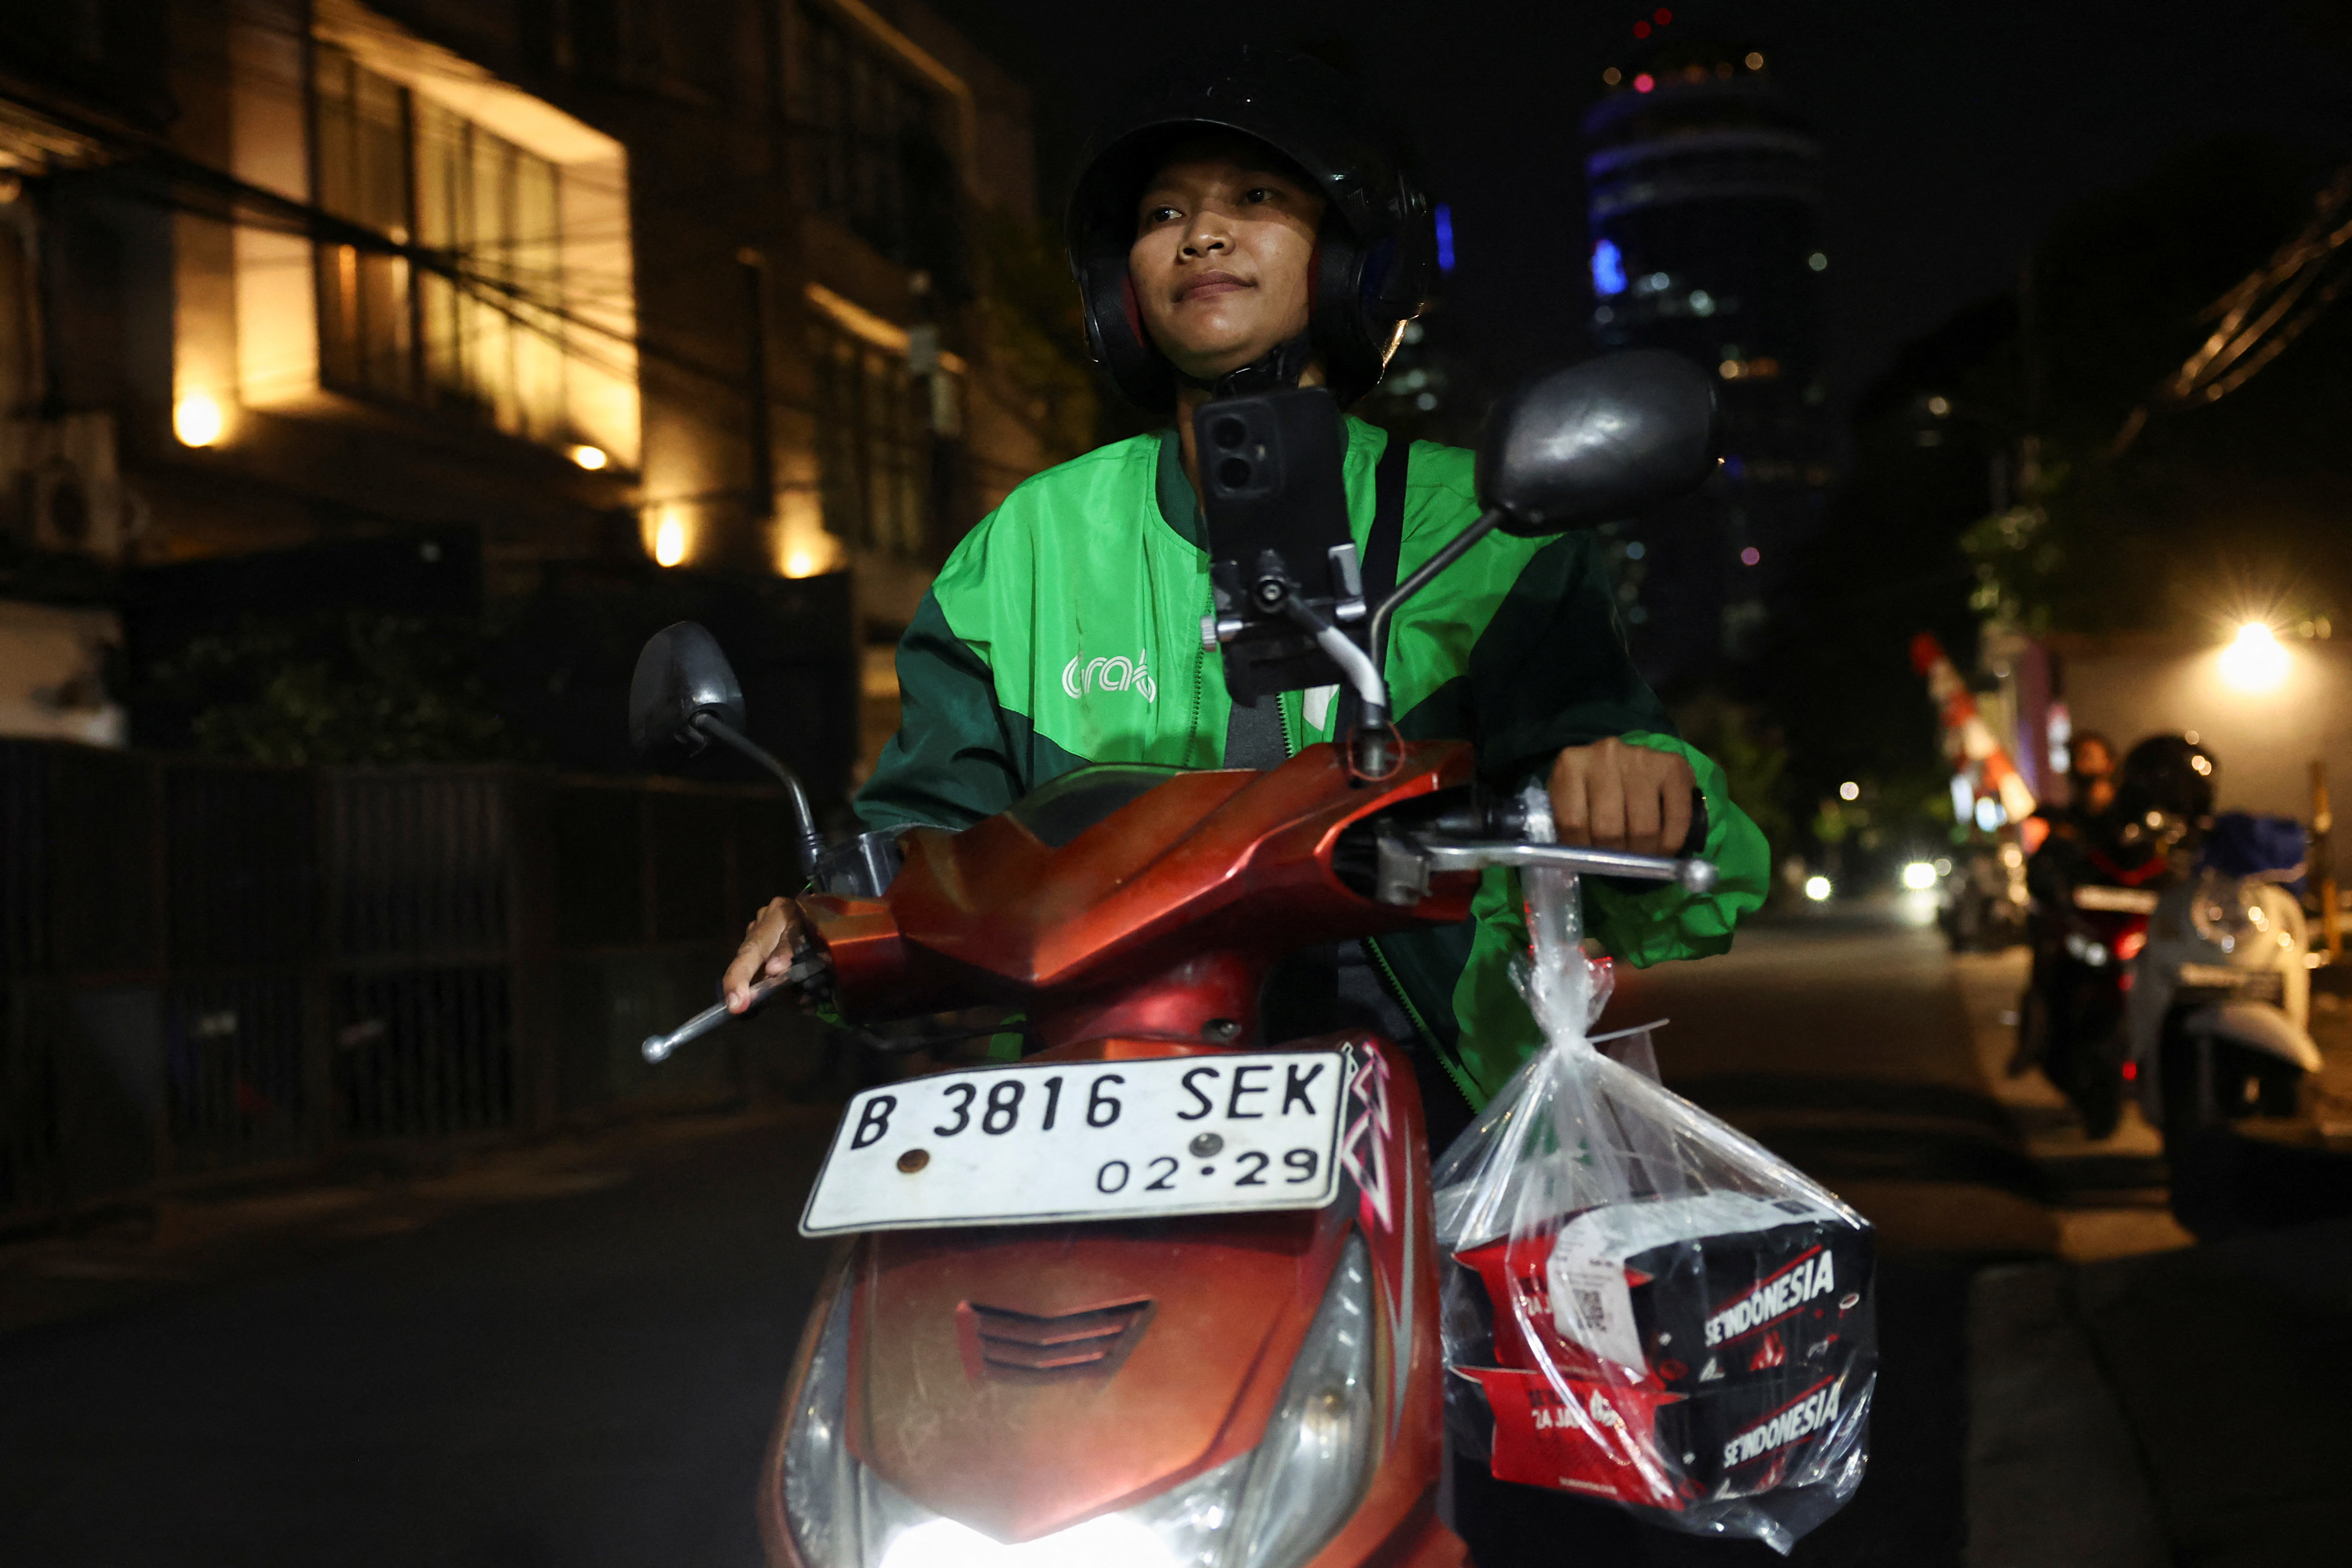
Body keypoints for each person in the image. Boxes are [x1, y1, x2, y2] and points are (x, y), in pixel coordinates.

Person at [722, 49, 1768, 1146]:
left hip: (1435, 1113)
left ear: (1351, 260)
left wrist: (1640, 783)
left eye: (1257, 200)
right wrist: (832, 915)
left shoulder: (1483, 521)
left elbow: (1642, 800)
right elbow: (928, 837)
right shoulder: (1025, 545)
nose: (1202, 234)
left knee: (1565, 1304)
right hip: (1094, 1108)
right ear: (1122, 285)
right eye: (1164, 212)